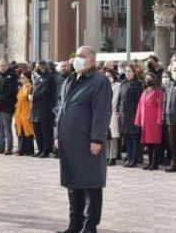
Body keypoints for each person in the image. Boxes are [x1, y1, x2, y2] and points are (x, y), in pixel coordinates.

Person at [54, 45, 112, 233]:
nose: (76, 59)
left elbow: (102, 113)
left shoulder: (99, 81)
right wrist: (57, 133)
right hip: (68, 142)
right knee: (73, 184)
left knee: (91, 183)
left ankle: (90, 226)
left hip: (87, 142)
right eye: (75, 55)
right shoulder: (70, 79)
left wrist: (96, 138)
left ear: (92, 60)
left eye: (81, 56)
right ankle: (74, 224)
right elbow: (61, 109)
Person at [135, 72, 165, 171]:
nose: (148, 81)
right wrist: (138, 120)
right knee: (148, 143)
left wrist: (159, 119)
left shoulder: (159, 91)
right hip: (145, 122)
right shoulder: (144, 92)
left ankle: (155, 163)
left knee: (155, 143)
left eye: (150, 79)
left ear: (154, 79)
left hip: (154, 121)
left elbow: (161, 106)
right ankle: (150, 162)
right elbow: (140, 107)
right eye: (146, 79)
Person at [117, 63, 143, 167]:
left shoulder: (137, 84)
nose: (127, 73)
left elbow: (139, 101)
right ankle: (129, 157)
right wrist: (117, 111)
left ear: (134, 73)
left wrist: (138, 115)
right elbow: (120, 99)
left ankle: (134, 159)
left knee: (134, 137)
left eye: (129, 71)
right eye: (126, 71)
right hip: (124, 114)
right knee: (126, 137)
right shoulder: (123, 83)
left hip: (133, 114)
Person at [0, 59, 18, 155]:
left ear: (8, 65)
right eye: (1, 66)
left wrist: (0, 99)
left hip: (7, 106)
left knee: (7, 128)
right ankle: (1, 146)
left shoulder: (12, 76)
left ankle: (9, 148)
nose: (2, 67)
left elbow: (10, 91)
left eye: (4, 65)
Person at [30, 60, 56, 158]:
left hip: (44, 108)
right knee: (37, 131)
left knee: (45, 131)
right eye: (36, 67)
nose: (36, 69)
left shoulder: (49, 78)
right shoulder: (37, 78)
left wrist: (34, 96)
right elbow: (33, 89)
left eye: (38, 67)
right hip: (35, 108)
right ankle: (40, 149)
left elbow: (45, 92)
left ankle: (46, 150)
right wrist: (30, 94)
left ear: (44, 67)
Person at [14, 70, 35, 156]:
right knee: (21, 131)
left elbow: (30, 102)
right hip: (19, 113)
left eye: (23, 78)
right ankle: (22, 149)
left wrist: (30, 113)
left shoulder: (30, 87)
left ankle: (29, 150)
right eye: (20, 77)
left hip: (26, 112)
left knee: (28, 131)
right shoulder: (22, 87)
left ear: (28, 79)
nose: (21, 79)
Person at [105, 68, 121, 166]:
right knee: (106, 136)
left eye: (109, 76)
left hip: (112, 113)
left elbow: (114, 100)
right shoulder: (104, 86)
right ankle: (107, 156)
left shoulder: (118, 85)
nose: (108, 78)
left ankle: (113, 157)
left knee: (113, 137)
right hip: (104, 114)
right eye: (106, 76)